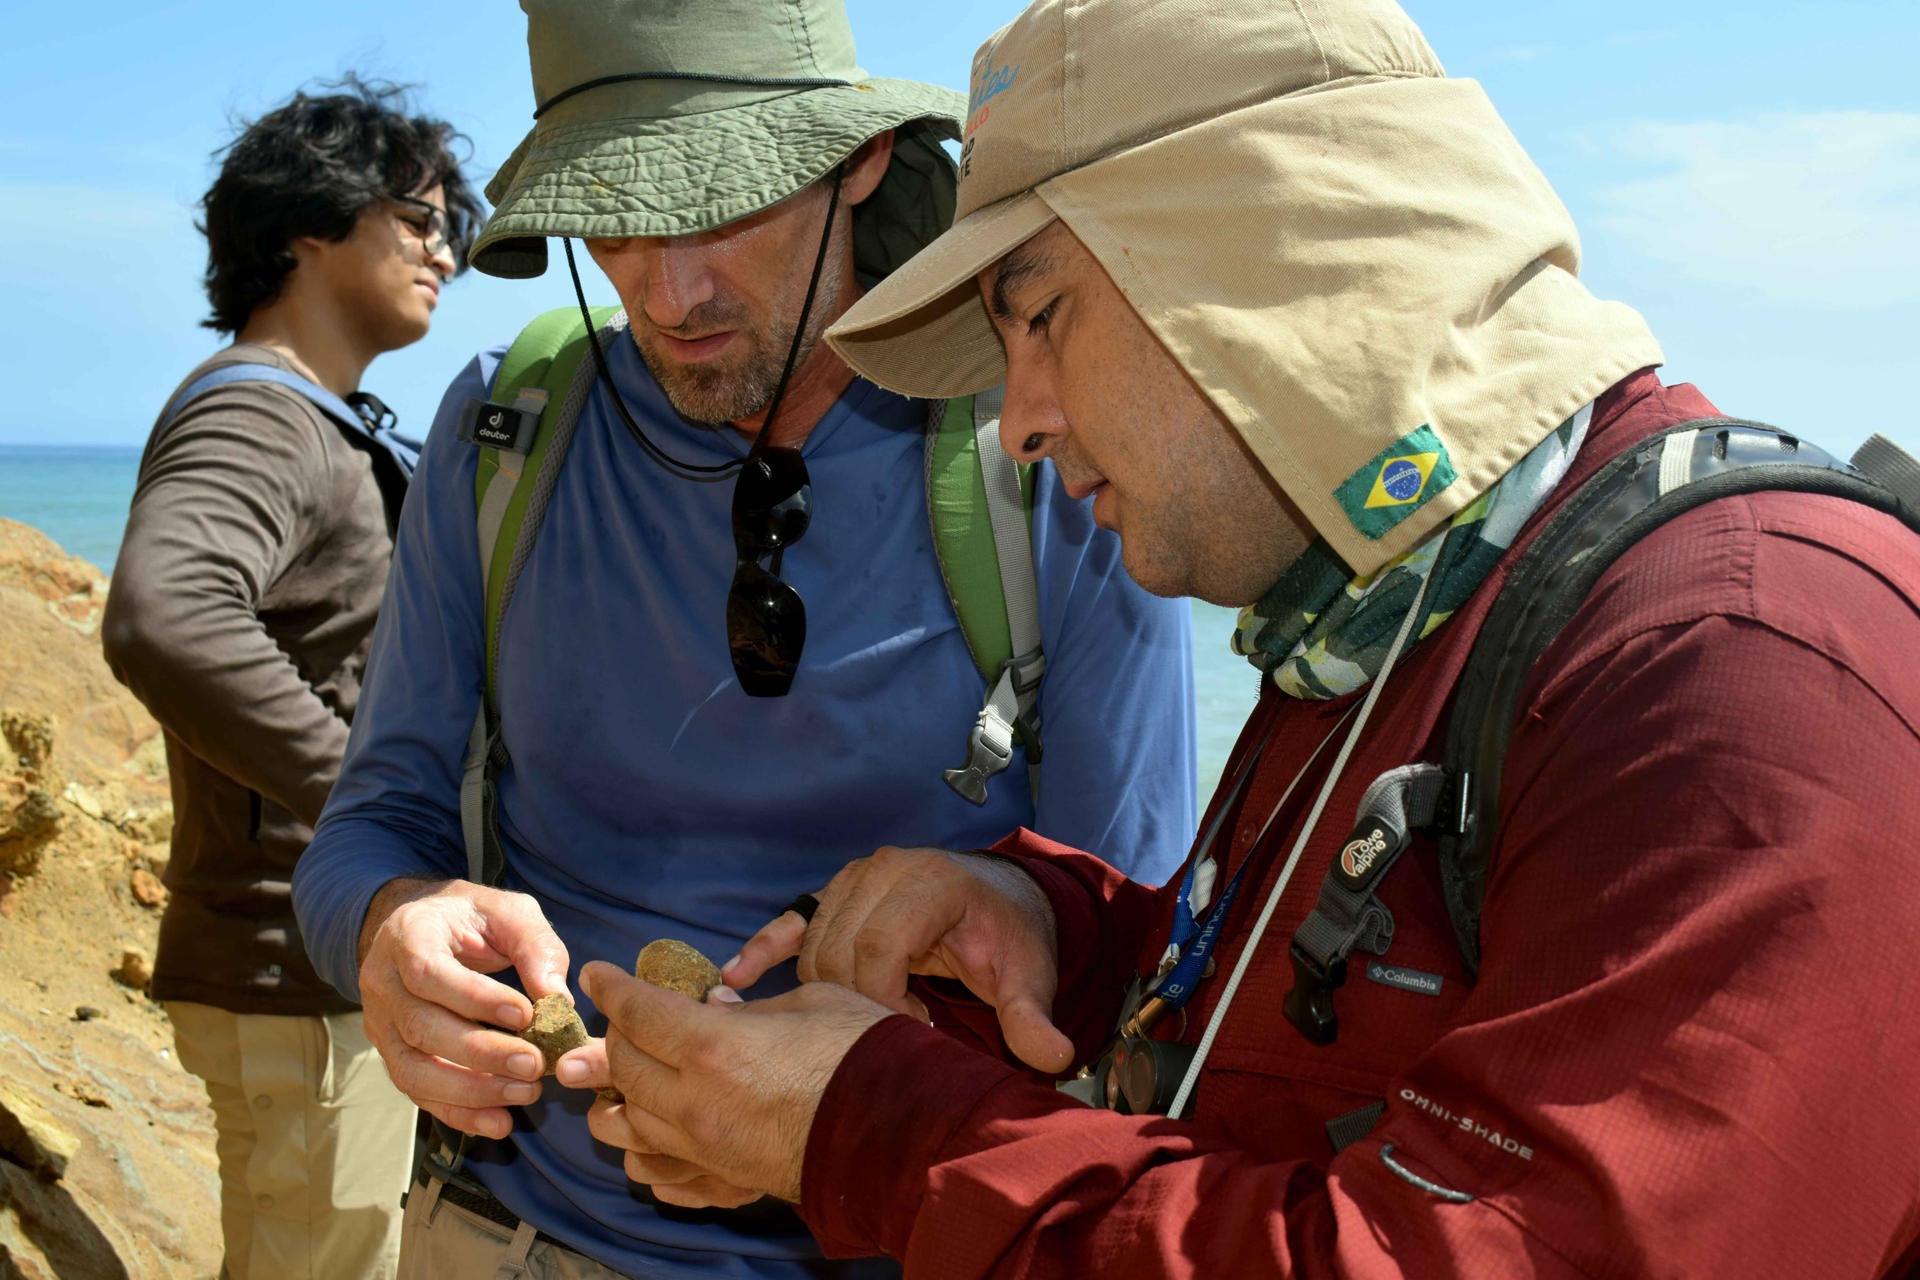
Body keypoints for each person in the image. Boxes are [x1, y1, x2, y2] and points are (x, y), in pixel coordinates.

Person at [573, 0, 1920, 1275]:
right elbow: (1326, 1020)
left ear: (1266, 253)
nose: (1022, 423)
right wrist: (1071, 940)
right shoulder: (1396, 616)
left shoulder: (1745, 666)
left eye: (1040, 318)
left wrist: (873, 1127)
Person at [288, 2, 1197, 1277]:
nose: (670, 291)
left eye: (725, 205)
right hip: (502, 1237)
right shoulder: (510, 425)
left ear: (860, 159)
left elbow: (1136, 951)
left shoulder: (1045, 451)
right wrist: (391, 923)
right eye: (613, 213)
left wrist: (848, 1117)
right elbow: (372, 820)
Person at [102, 79, 481, 1280]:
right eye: (418, 219)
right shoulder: (262, 418)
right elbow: (166, 613)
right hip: (295, 972)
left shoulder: (318, 418)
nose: (446, 251)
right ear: (309, 223)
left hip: (312, 965)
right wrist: (369, 795)